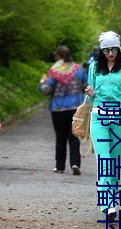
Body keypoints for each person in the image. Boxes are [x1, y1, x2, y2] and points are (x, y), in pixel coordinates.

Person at [85, 31, 121, 220]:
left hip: (119, 118)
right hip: (99, 118)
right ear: (101, 50)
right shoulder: (93, 68)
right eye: (106, 50)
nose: (110, 53)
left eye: (113, 49)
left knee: (115, 163)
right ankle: (108, 205)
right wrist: (90, 92)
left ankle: (110, 199)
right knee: (104, 161)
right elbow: (91, 95)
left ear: (119, 48)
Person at [39, 45, 88, 175]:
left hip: (58, 109)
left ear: (58, 57)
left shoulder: (54, 71)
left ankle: (60, 166)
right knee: (74, 137)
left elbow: (47, 90)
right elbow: (86, 87)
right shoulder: (79, 70)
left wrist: (42, 83)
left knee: (60, 138)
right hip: (75, 109)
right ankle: (75, 163)